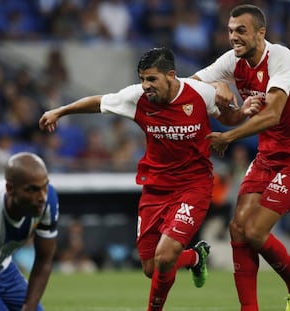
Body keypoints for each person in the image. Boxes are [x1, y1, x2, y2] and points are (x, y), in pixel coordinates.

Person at [39, 47, 260, 311]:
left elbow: (229, 117)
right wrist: (60, 111)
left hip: (194, 186)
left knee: (165, 256)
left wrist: (242, 108)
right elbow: (99, 102)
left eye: (151, 79)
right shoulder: (137, 97)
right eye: (142, 79)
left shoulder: (200, 93)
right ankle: (194, 258)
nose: (145, 85)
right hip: (155, 189)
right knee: (151, 268)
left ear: (171, 75)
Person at [191, 4, 290, 311]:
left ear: (260, 33)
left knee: (254, 231)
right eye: (230, 31)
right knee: (237, 228)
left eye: (241, 31)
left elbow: (274, 114)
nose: (233, 37)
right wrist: (215, 86)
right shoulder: (232, 61)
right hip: (269, 154)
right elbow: (192, 84)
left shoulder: (281, 57)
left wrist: (228, 136)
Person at [0, 152, 59, 310]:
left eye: (45, 187)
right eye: (33, 189)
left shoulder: (47, 201)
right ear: (10, 189)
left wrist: (28, 307)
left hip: (1, 268)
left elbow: (44, 260)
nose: (42, 196)